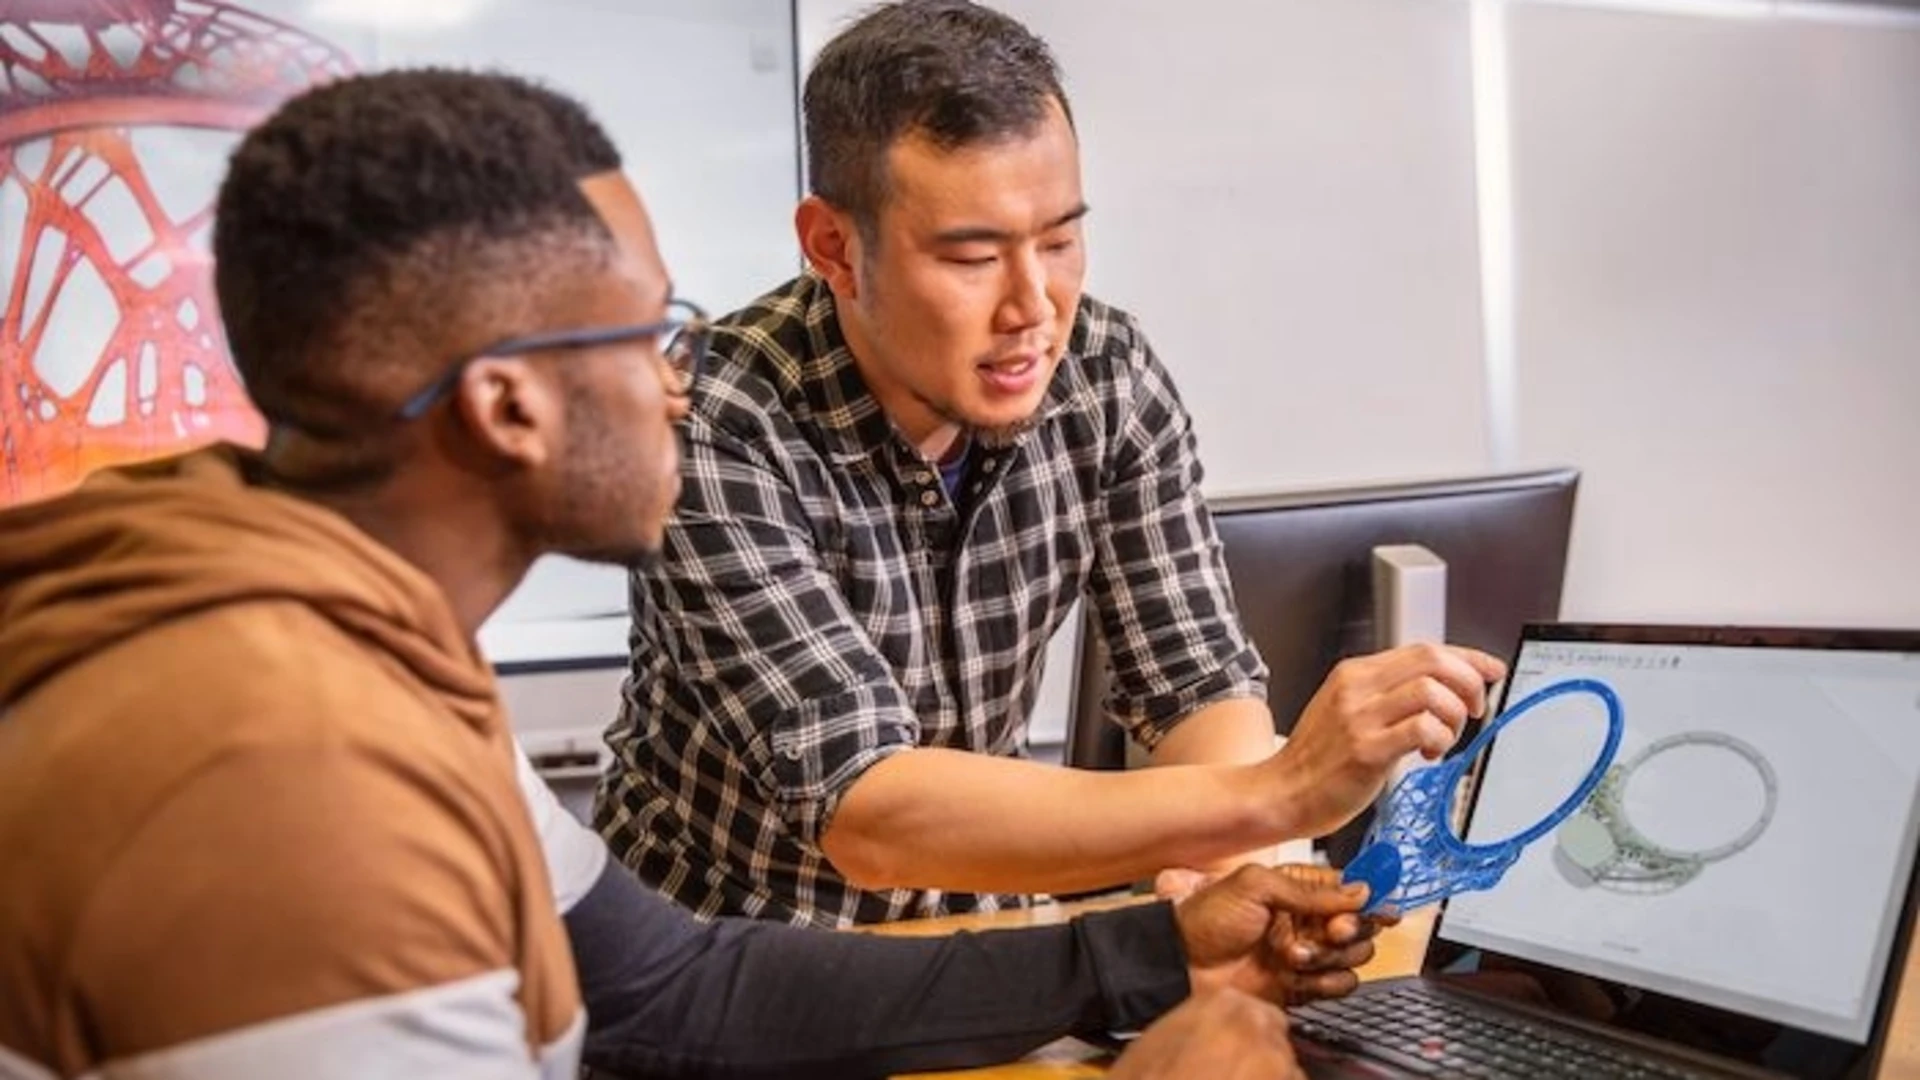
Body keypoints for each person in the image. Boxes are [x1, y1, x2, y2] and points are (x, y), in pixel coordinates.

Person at [0, 68, 1383, 1080]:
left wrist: (1154, 955)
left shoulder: (358, 645)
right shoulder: (284, 781)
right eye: (648, 332)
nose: (680, 380)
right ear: (507, 406)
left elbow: (672, 989)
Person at [597, 0, 1508, 927]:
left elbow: (1196, 685)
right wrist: (1280, 792)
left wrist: (1238, 859)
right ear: (834, 247)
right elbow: (867, 810)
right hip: (734, 950)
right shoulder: (710, 418)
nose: (1034, 306)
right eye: (972, 258)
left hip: (984, 928)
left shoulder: (1104, 374)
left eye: (1061, 240)